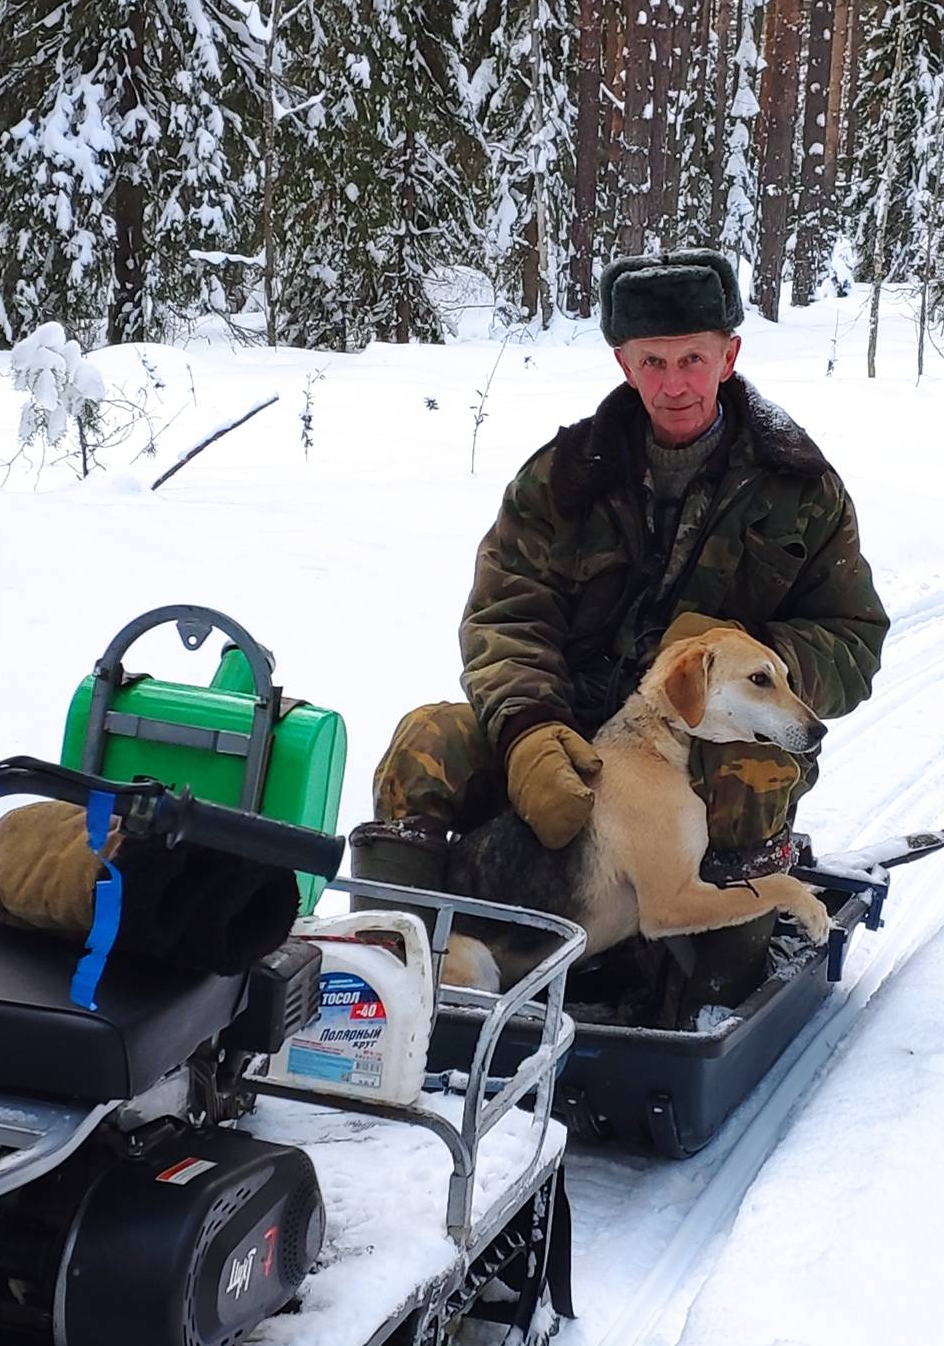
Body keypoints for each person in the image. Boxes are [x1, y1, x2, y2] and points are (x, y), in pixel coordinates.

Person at [358, 250, 888, 892]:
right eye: (652, 362)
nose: (673, 385)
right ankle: (394, 956)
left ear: (729, 356)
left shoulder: (801, 489)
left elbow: (852, 639)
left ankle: (711, 960)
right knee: (427, 742)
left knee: (749, 772)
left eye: (693, 358)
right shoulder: (563, 475)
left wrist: (743, 663)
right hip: (571, 720)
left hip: (704, 737)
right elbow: (506, 618)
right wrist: (529, 729)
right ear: (623, 364)